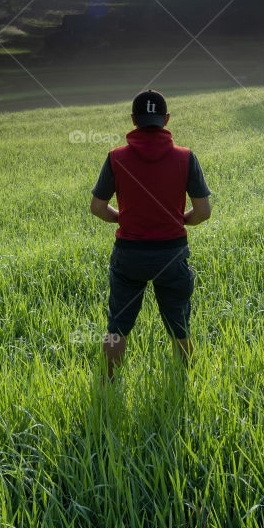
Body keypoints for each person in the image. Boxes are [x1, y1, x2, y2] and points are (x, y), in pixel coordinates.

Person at [90, 89, 211, 381]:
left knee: (116, 327)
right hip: (172, 254)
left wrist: (122, 218)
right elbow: (204, 211)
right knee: (179, 323)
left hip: (129, 255)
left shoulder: (116, 157)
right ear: (166, 119)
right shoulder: (186, 157)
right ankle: (186, 380)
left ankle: (107, 385)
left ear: (133, 121)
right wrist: (181, 220)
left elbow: (96, 207)